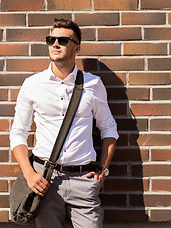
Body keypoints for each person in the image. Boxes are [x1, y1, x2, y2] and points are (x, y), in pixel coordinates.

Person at [9, 18, 118, 228]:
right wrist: (30, 174)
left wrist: (103, 171)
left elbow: (108, 128)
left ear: (77, 48)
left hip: (84, 180)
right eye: (51, 39)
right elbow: (18, 133)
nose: (55, 44)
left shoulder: (93, 84)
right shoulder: (32, 84)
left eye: (62, 40)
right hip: (44, 181)